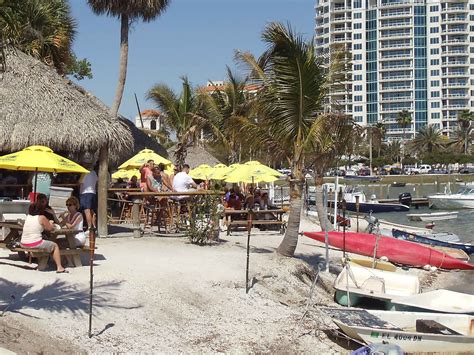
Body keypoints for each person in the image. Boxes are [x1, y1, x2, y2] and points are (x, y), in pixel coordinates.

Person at [20, 202, 67, 273]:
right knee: (54, 245)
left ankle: (42, 262)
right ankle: (59, 267)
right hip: (34, 243)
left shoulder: (28, 217)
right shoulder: (42, 217)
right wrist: (50, 223)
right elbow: (50, 229)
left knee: (44, 240)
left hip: (23, 243)